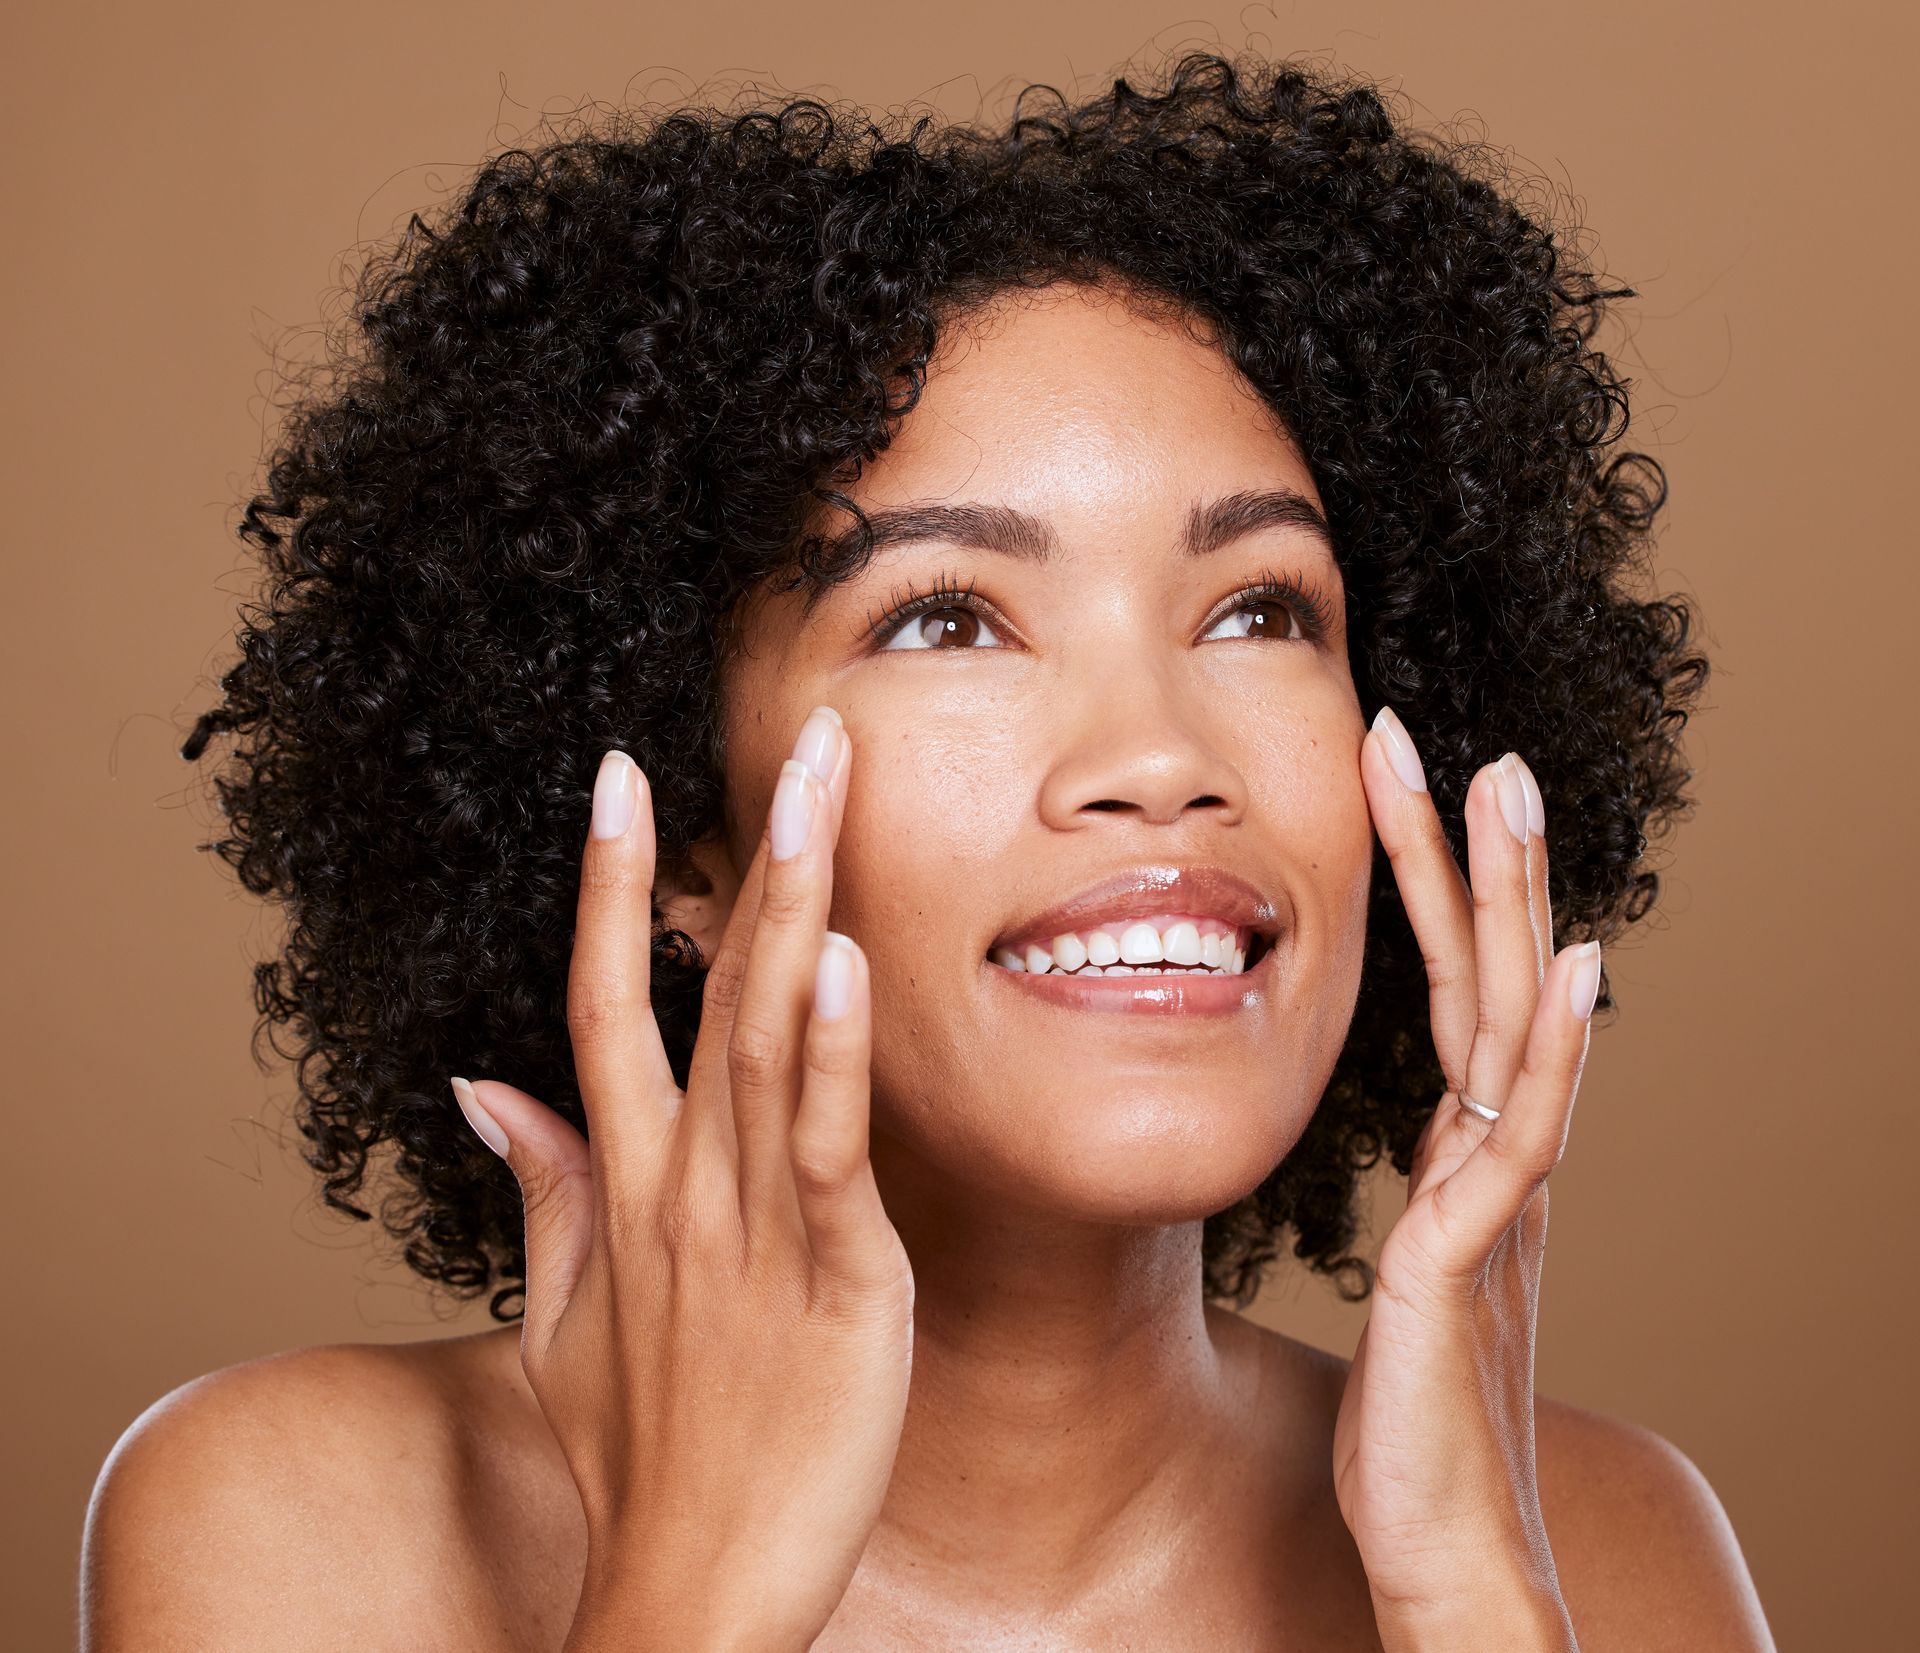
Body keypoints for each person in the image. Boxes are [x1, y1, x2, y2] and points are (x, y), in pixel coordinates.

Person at [79, 50, 1774, 1649]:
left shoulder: (1612, 1549)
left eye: (1260, 607)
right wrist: (690, 1595)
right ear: (685, 837)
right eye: (951, 620)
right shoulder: (296, 1520)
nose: (1161, 758)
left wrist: (1478, 1592)